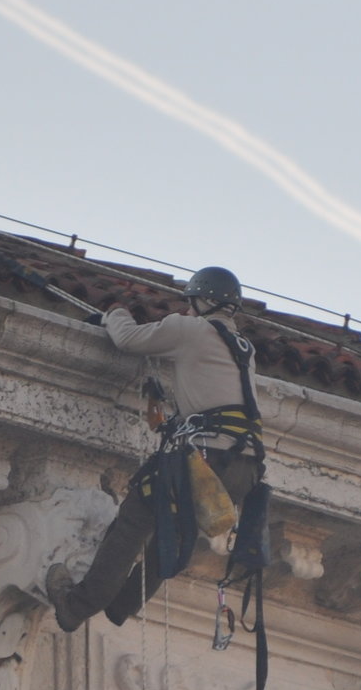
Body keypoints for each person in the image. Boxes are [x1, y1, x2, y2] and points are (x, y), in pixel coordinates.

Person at [46, 266, 264, 633]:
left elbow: (127, 339)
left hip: (208, 456)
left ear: (203, 301)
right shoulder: (245, 348)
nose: (188, 309)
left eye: (191, 303)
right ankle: (123, 604)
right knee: (175, 530)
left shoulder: (190, 329)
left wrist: (115, 313)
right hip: (246, 467)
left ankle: (77, 605)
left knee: (134, 521)